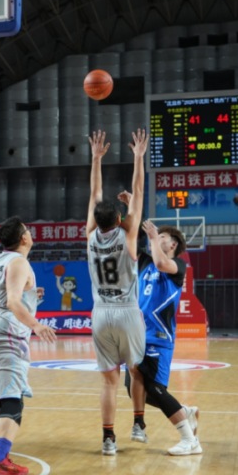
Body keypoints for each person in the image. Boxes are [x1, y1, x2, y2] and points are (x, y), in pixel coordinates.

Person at [0, 216, 56, 475]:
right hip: (5, 340)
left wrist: (31, 294)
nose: (30, 233)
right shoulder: (19, 262)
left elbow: (7, 294)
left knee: (4, 395)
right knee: (13, 402)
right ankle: (1, 462)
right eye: (28, 230)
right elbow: (12, 302)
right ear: (24, 238)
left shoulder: (1, 259)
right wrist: (36, 325)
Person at [86, 129, 147, 456]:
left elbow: (95, 193)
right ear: (121, 219)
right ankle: (138, 424)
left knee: (108, 382)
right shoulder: (128, 234)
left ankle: (108, 439)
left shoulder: (89, 235)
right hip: (127, 311)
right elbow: (139, 191)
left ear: (95, 221)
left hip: (100, 314)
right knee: (137, 372)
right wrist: (138, 157)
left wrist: (96, 159)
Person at [128, 221, 201, 456]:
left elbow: (161, 262)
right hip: (138, 335)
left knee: (156, 388)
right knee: (134, 389)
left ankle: (190, 441)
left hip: (159, 337)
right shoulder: (145, 262)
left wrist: (152, 237)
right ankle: (183, 411)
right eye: (155, 236)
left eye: (162, 237)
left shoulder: (178, 265)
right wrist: (131, 211)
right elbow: (130, 238)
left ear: (173, 244)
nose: (156, 238)